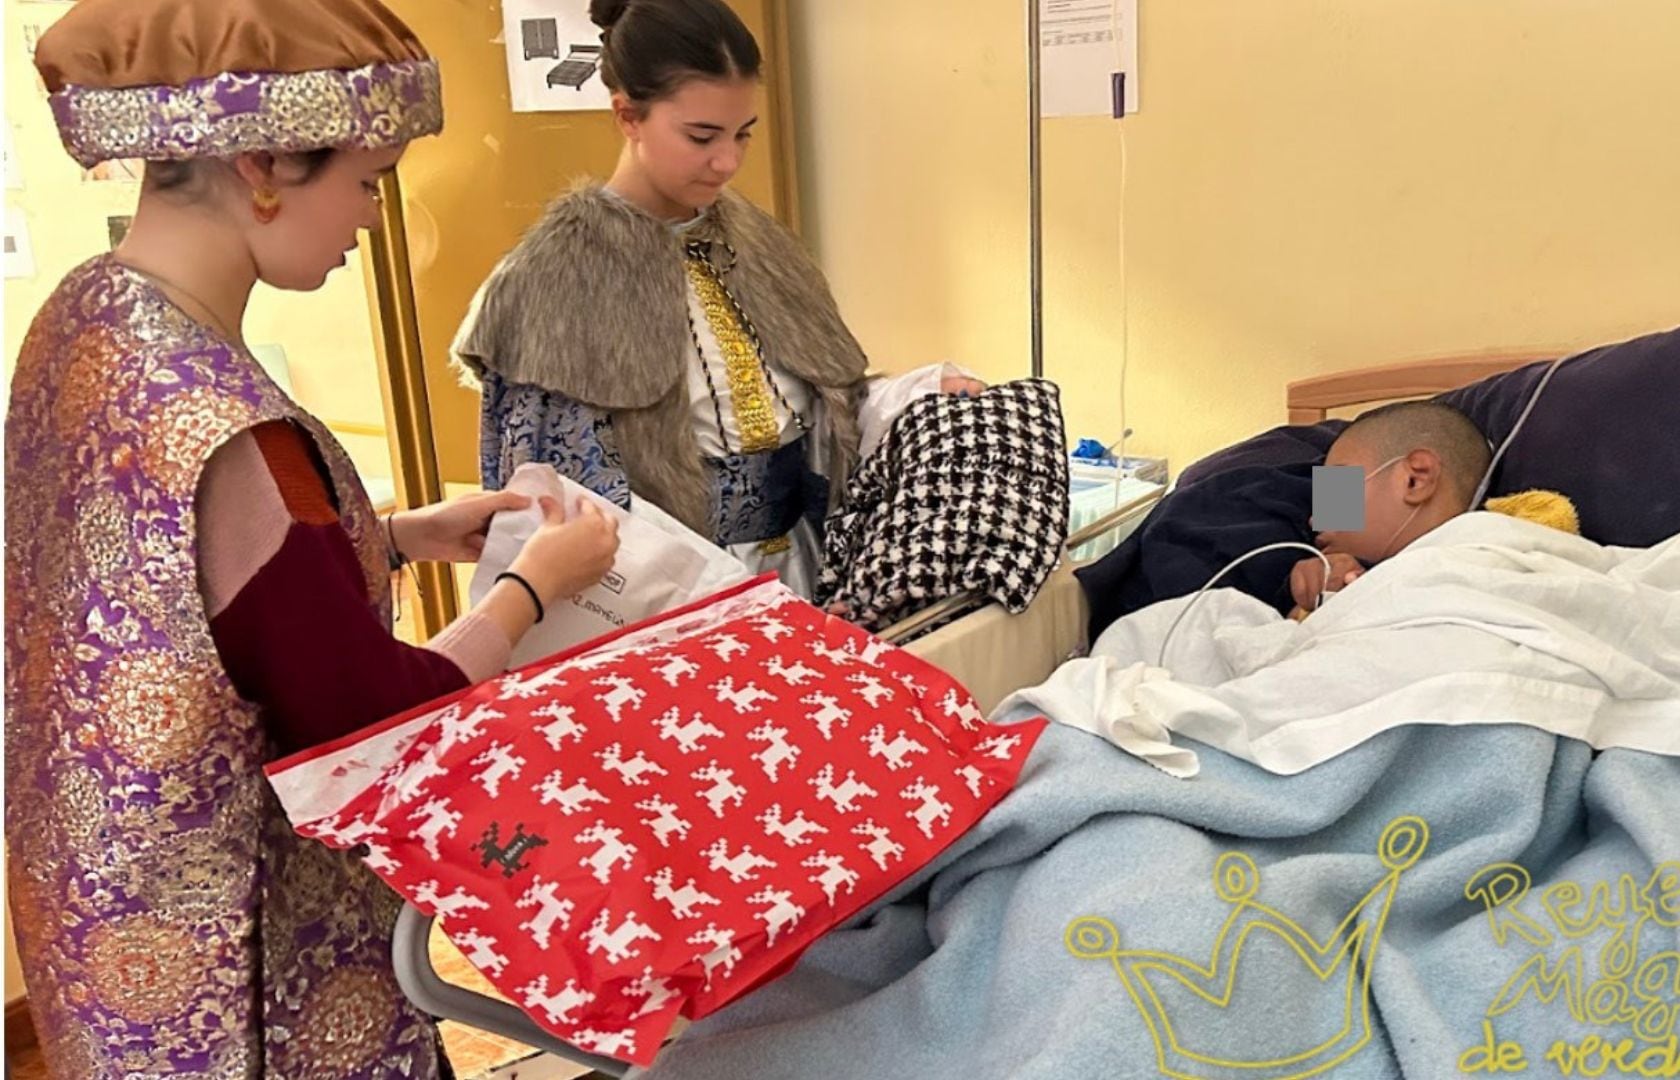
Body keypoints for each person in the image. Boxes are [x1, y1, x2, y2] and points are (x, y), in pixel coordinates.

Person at [4, 0, 618, 1074]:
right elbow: (370, 719)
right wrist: (527, 590)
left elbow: (161, 587)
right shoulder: (226, 424)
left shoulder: (84, 320)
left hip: (97, 905)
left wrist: (398, 537)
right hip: (236, 965)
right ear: (261, 165)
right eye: (369, 179)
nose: (373, 217)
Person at [455, 0, 984, 599]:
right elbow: (558, 503)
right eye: (701, 136)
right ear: (628, 115)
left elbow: (823, 408)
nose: (727, 162)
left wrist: (918, 393)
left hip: (802, 568)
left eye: (743, 135)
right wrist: (715, 592)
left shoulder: (757, 241)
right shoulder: (550, 282)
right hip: (665, 596)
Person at [1290, 400, 1579, 617]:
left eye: (1335, 490)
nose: (1316, 518)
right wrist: (1312, 605)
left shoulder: (1519, 547)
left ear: (1416, 479)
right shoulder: (1325, 586)